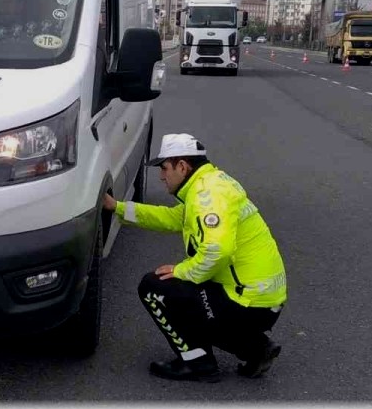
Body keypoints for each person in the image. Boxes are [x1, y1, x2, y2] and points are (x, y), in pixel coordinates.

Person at [103, 133, 287, 382]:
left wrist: (182, 271)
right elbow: (170, 218)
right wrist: (118, 208)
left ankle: (198, 363)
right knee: (196, 294)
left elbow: (216, 251)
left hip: (247, 302)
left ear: (182, 166)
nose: (161, 176)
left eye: (165, 168)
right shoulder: (211, 184)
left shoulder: (206, 197)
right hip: (261, 299)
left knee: (154, 287)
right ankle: (256, 348)